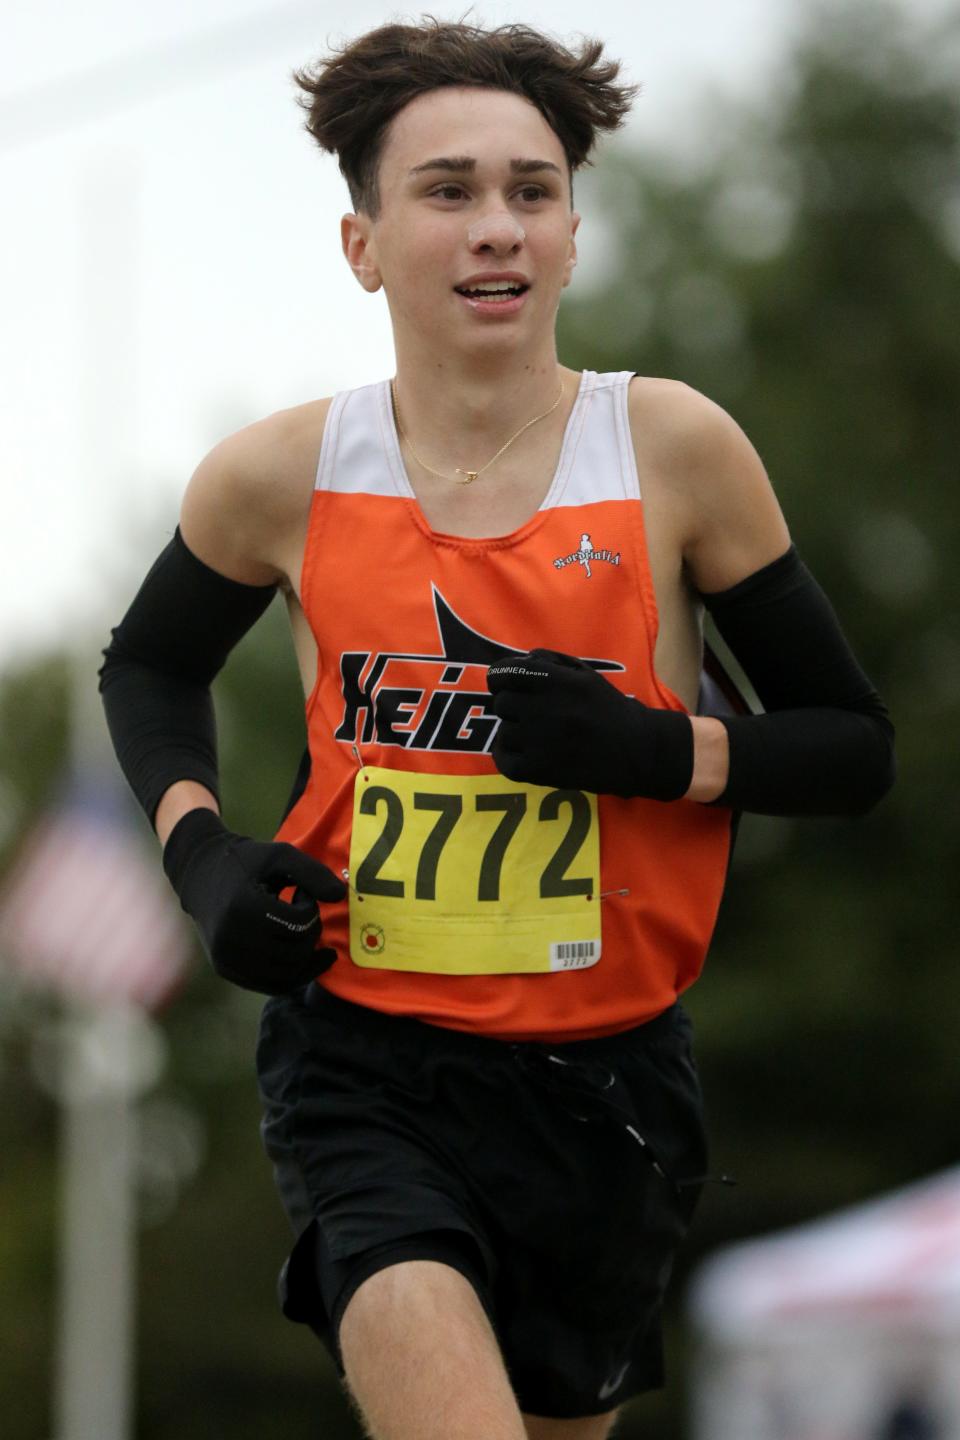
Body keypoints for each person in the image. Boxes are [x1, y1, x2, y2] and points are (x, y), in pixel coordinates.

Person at [98, 19, 895, 1440]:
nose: (497, 230)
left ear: (575, 237)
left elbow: (851, 745)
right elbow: (148, 666)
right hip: (367, 1065)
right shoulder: (280, 474)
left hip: (610, 1084)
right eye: (450, 191)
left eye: (532, 193)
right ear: (364, 243)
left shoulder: (675, 450)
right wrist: (203, 859)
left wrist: (660, 750)